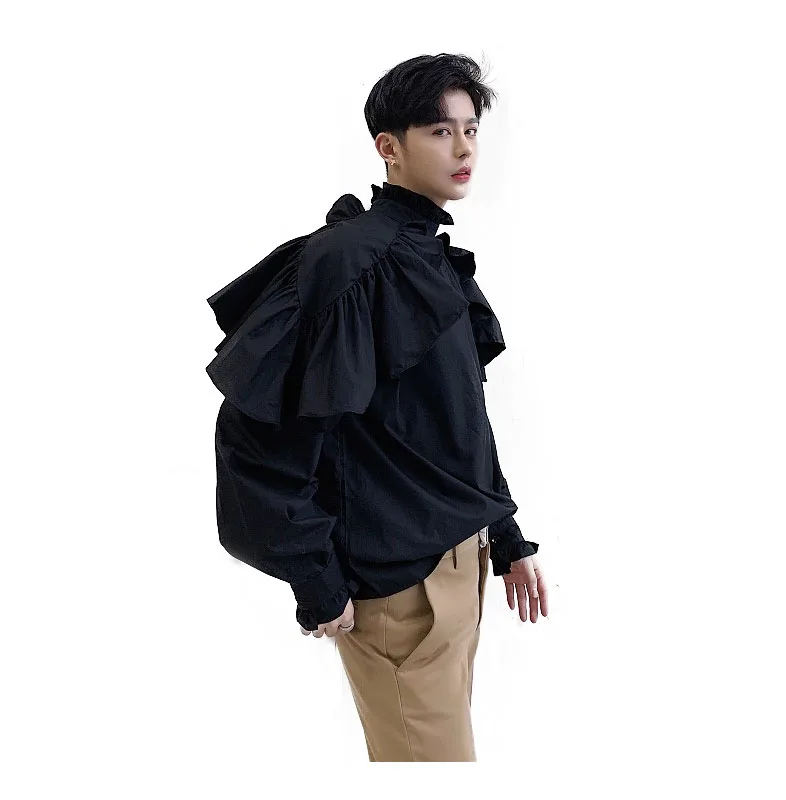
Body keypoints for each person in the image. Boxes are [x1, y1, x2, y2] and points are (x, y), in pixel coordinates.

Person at [205, 52, 549, 762]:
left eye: (471, 130)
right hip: (398, 590)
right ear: (388, 146)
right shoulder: (349, 262)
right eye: (440, 131)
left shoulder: (428, 255)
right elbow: (257, 433)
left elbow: (455, 423)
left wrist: (505, 533)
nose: (463, 149)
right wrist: (314, 577)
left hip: (459, 565)